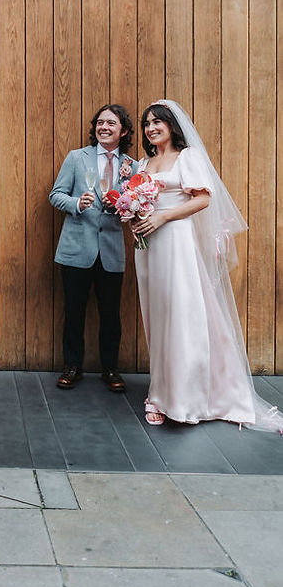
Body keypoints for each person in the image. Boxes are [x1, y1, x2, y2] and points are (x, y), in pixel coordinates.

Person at [131, 100, 283, 431]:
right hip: (148, 247)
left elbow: (203, 197)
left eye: (158, 121)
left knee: (182, 314)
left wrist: (163, 216)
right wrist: (135, 216)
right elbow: (137, 201)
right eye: (147, 123)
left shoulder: (188, 157)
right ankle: (160, 390)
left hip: (175, 240)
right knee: (157, 317)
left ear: (172, 125)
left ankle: (185, 398)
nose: (151, 127)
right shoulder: (145, 162)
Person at [49, 104, 137, 392]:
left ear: (122, 130)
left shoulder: (132, 166)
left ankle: (110, 369)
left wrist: (124, 207)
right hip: (77, 249)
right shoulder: (77, 158)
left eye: (111, 123)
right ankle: (71, 366)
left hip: (111, 250)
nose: (104, 127)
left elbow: (136, 209)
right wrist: (77, 204)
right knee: (74, 310)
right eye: (100, 122)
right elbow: (56, 195)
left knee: (111, 313)